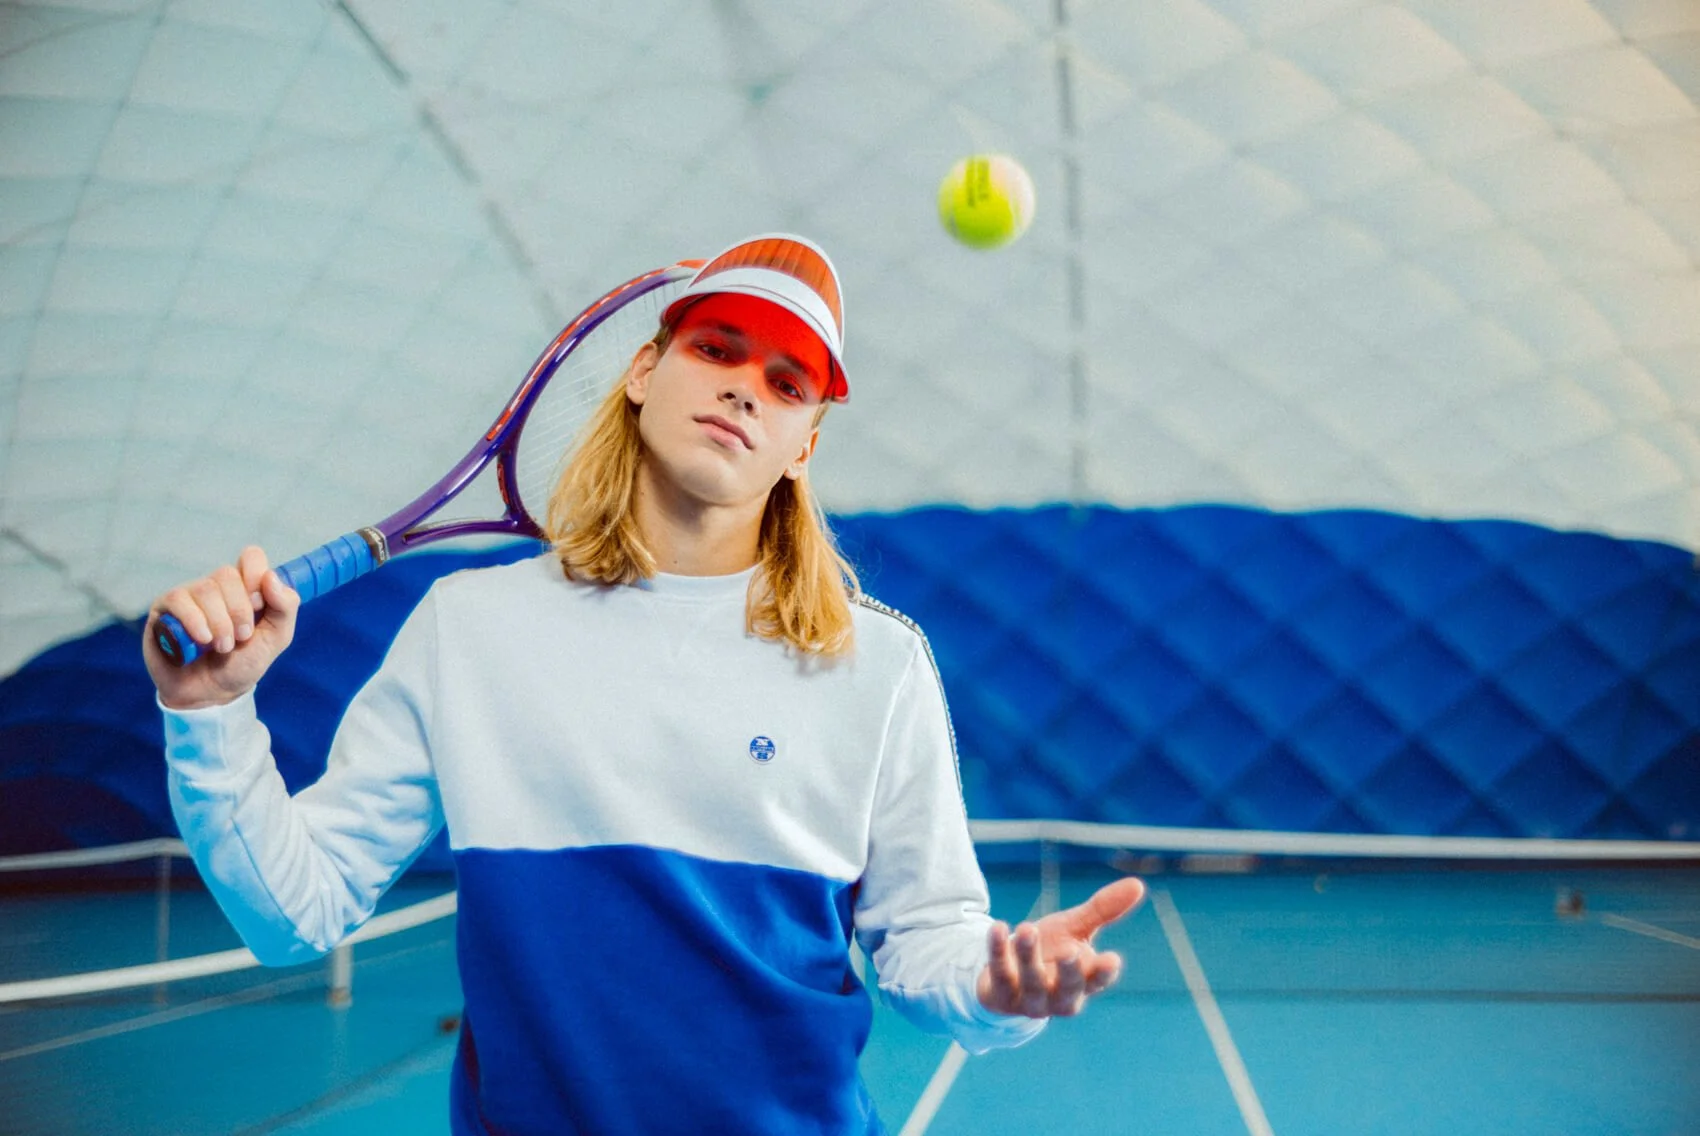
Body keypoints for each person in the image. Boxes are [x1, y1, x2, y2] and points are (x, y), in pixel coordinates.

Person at [145, 233, 1146, 1135]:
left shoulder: (877, 664)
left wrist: (996, 986)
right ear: (640, 371)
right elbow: (292, 912)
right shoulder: (468, 628)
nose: (746, 385)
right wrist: (211, 712)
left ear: (803, 448)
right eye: (716, 348)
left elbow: (926, 941)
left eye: (789, 382)